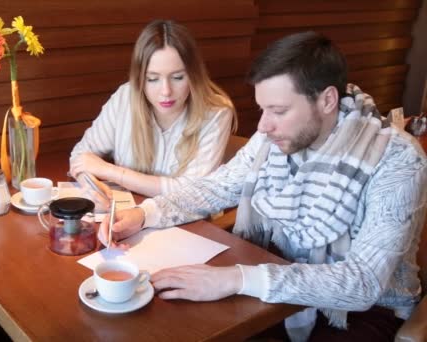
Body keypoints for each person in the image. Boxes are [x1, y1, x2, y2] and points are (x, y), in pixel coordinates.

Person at [100, 31, 427, 341]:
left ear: (327, 100)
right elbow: (218, 186)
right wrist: (144, 214)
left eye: (279, 111)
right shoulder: (275, 136)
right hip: (277, 277)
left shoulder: (397, 160)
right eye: (263, 109)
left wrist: (235, 278)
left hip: (361, 312)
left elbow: (363, 281)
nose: (263, 125)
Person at [69, 19, 236, 208]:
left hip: (189, 223)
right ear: (140, 78)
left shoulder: (216, 113)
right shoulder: (125, 97)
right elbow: (81, 155)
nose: (166, 91)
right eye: (152, 79)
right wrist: (91, 186)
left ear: (194, 74)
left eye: (178, 77)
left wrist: (110, 171)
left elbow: (191, 192)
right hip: (127, 215)